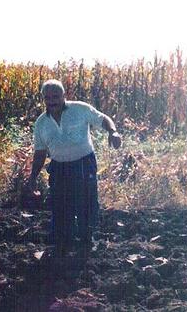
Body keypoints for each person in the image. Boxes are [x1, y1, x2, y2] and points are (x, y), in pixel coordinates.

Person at [22, 79, 121, 256]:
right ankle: (63, 248)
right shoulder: (41, 123)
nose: (52, 101)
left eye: (56, 96)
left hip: (83, 163)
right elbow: (40, 154)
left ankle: (86, 242)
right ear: (43, 99)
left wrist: (113, 131)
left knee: (86, 203)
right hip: (59, 168)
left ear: (64, 96)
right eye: (48, 97)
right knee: (60, 207)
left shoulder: (80, 109)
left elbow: (102, 118)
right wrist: (32, 178)